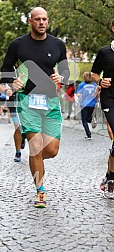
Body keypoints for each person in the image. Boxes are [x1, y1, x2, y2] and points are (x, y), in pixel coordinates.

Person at [1, 7, 69, 208]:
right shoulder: (18, 45)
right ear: (30, 21)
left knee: (52, 150)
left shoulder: (57, 44)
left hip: (50, 101)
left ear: (48, 21)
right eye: (37, 19)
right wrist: (13, 82)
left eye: (45, 19)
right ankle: (40, 190)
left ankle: (35, 157)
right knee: (36, 146)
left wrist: (62, 77)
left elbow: (64, 69)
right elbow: (5, 68)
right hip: (27, 100)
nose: (41, 22)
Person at [91, 19, 114, 194]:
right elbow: (93, 72)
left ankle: (110, 175)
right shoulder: (105, 52)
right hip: (110, 97)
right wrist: (100, 80)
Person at [76, 72, 97, 140]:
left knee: (84, 120)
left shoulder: (82, 85)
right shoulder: (94, 85)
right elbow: (97, 93)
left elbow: (78, 94)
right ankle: (91, 119)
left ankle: (88, 134)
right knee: (88, 118)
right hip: (92, 104)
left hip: (84, 104)